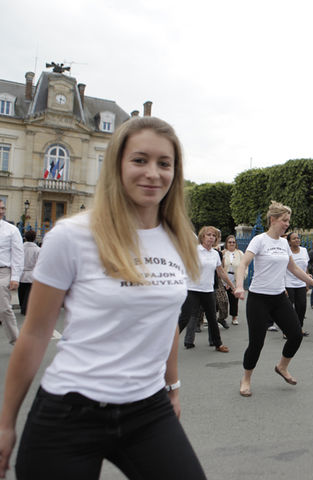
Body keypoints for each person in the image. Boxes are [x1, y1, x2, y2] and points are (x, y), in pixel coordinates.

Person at [0, 117, 206, 478]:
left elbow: (166, 322)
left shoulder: (180, 239)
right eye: (139, 160)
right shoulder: (72, 236)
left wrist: (173, 387)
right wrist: (5, 425)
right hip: (70, 410)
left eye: (164, 163)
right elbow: (33, 335)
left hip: (147, 409)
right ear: (117, 164)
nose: (153, 173)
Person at [234, 201, 313, 397]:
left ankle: (282, 367)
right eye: (284, 220)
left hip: (279, 297)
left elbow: (292, 268)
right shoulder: (259, 240)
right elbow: (243, 264)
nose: (287, 224)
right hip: (258, 298)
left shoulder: (284, 243)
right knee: (256, 343)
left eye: (288, 220)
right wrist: (240, 286)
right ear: (273, 219)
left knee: (296, 334)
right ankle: (246, 378)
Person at [178, 226, 235, 351]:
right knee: (185, 317)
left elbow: (221, 272)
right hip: (192, 289)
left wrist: (232, 287)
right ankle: (167, 343)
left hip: (208, 290)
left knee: (212, 318)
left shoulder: (215, 254)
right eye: (208, 235)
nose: (211, 237)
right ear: (202, 237)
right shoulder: (194, 250)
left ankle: (218, 344)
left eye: (213, 235)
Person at [0, 199, 22, 345]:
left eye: (3, 208)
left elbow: (18, 255)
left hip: (3, 272)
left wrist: (15, 277)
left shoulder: (11, 230)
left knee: (3, 307)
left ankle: (16, 340)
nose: (2, 211)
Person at [285, 232, 310, 336]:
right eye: (294, 238)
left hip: (301, 283)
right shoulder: (286, 251)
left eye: (298, 238)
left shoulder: (304, 251)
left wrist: (307, 282)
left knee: (302, 306)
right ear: (289, 241)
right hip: (288, 283)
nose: (297, 240)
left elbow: (306, 267)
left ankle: (299, 328)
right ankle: (287, 330)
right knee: (289, 308)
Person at [222, 235, 244, 325]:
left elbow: (244, 267)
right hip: (224, 278)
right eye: (230, 242)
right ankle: (221, 317)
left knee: (234, 299)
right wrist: (224, 281)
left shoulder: (240, 253)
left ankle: (234, 317)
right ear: (226, 243)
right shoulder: (222, 253)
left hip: (235, 278)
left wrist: (240, 279)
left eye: (233, 242)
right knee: (221, 300)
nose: (232, 244)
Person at [18, 230, 40, 316]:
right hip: (32, 273)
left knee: (21, 291)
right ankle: (25, 308)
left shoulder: (20, 248)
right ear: (34, 238)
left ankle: (22, 305)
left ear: (25, 238)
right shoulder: (38, 250)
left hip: (21, 272)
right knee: (29, 292)